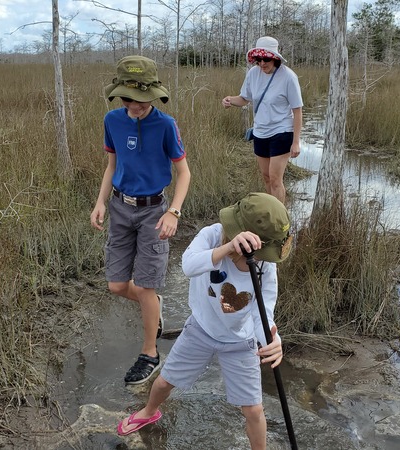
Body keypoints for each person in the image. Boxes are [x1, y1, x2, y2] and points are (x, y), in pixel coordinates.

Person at [116, 193, 293, 450]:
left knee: (254, 410)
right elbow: (188, 266)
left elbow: (263, 312)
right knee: (165, 381)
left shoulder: (265, 265)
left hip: (240, 342)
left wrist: (272, 340)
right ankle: (149, 411)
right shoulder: (212, 235)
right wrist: (228, 248)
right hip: (200, 329)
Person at [91, 55, 191, 385]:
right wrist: (101, 202)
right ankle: (153, 306)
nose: (134, 106)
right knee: (117, 285)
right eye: (127, 99)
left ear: (152, 95)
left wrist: (172, 212)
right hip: (120, 208)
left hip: (153, 211)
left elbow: (184, 173)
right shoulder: (112, 121)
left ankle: (150, 352)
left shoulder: (165, 124)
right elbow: (110, 166)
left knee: (145, 286)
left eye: (140, 99)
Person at [222, 36, 304, 204]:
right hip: (260, 132)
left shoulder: (288, 77)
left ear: (275, 58)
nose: (262, 63)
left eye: (266, 59)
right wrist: (230, 100)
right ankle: (271, 215)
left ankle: (281, 222)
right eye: (258, 59)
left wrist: (296, 142)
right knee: (266, 178)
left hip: (282, 131)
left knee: (275, 179)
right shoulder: (253, 74)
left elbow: (297, 111)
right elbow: (244, 99)